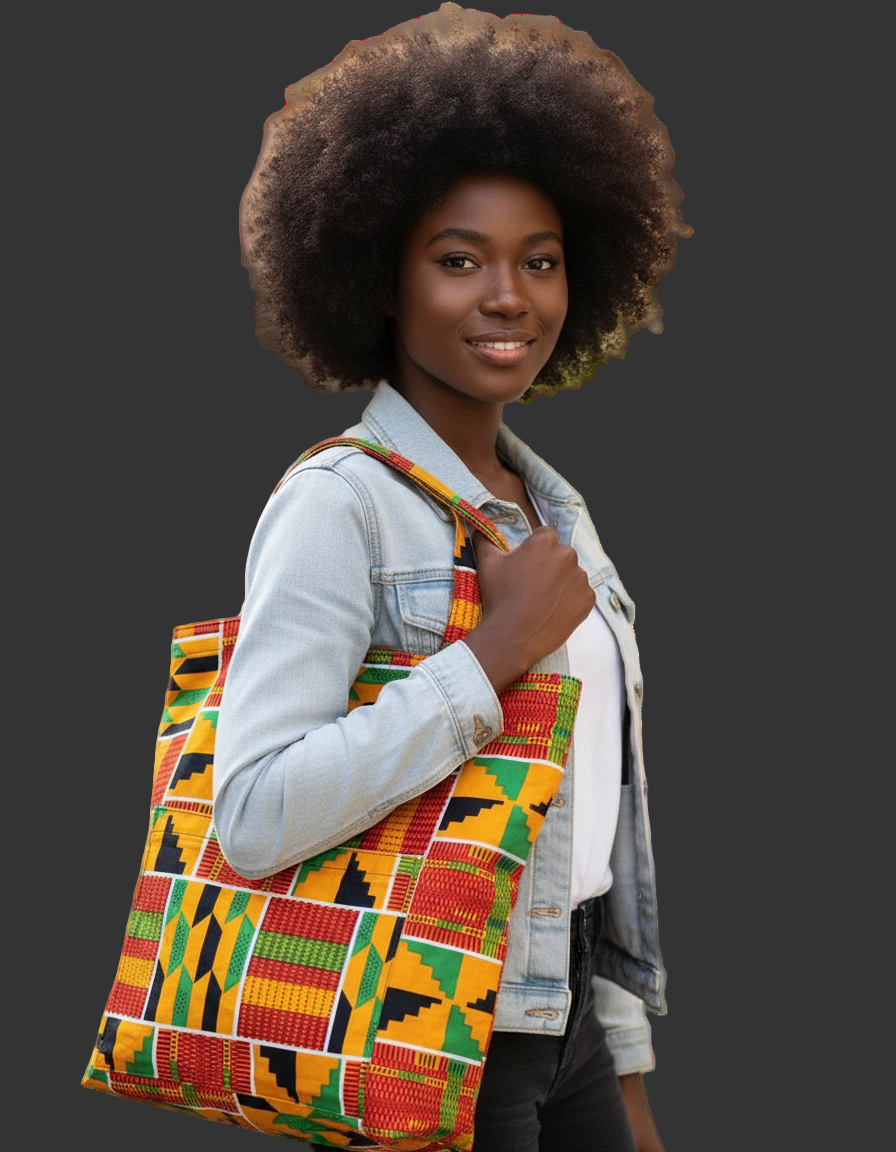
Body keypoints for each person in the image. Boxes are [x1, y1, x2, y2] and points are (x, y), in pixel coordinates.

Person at [215, 5, 692, 1149]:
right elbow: (252, 813)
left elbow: (584, 827)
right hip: (424, 1034)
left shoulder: (555, 509)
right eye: (457, 261)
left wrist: (621, 1069)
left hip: (567, 1014)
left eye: (539, 261)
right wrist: (490, 654)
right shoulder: (339, 503)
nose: (508, 298)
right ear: (377, 277)